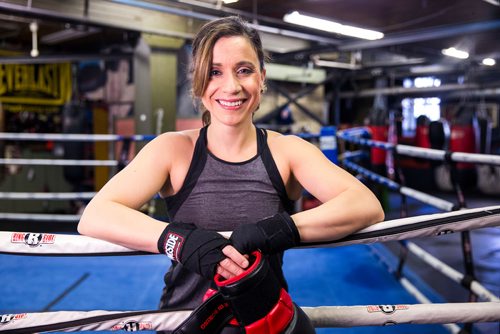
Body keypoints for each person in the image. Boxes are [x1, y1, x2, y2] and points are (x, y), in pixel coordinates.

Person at [78, 15, 384, 333]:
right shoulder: (172, 149)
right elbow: (95, 215)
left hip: (264, 321)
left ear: (262, 77)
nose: (232, 86)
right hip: (184, 322)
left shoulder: (288, 151)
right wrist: (176, 240)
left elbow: (366, 205)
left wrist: (281, 229)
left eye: (244, 70)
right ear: (198, 82)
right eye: (214, 72)